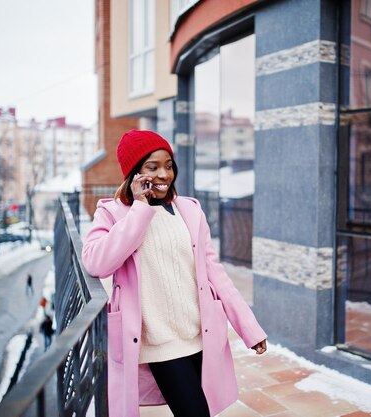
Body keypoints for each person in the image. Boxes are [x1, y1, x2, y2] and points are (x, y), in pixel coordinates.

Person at [82, 129, 267, 417]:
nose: (164, 175)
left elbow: (214, 273)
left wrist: (248, 327)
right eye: (152, 167)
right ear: (134, 174)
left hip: (199, 332)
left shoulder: (189, 210)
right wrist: (140, 210)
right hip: (159, 342)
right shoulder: (113, 213)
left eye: (168, 166)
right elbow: (96, 262)